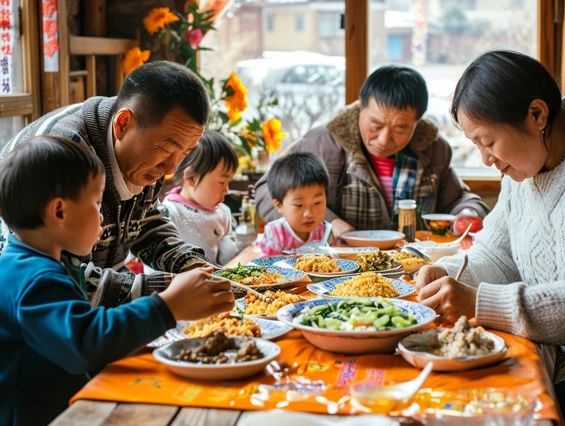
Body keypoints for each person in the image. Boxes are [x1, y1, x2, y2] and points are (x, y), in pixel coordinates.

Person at [414, 50, 565, 425]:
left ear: (536, 115)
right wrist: (448, 274)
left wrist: (482, 302)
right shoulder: (524, 166)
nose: (486, 159)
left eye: (488, 142)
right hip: (552, 361)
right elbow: (496, 255)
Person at [0, 136, 234, 426]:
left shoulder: (37, 263)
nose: (102, 216)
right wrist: (167, 307)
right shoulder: (34, 280)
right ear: (59, 211)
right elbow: (84, 343)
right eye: (97, 204)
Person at [0, 61, 214, 308]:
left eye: (185, 153)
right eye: (166, 150)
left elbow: (145, 220)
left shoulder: (144, 152)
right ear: (123, 123)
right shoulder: (66, 153)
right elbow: (70, 281)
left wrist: (190, 264)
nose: (170, 169)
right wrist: (171, 291)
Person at [254, 65, 489, 239]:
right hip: (338, 267)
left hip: (410, 266)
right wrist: (329, 223)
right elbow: (266, 190)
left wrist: (467, 213)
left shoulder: (433, 150)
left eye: (400, 128)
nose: (384, 140)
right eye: (376, 125)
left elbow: (460, 199)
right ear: (359, 107)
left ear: (417, 122)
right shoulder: (324, 144)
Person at [161, 130, 243, 265]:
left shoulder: (223, 212)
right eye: (222, 182)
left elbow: (227, 263)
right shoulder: (169, 213)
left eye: (229, 182)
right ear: (192, 178)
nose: (226, 190)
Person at [256, 152, 331, 255]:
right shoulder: (275, 233)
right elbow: (266, 266)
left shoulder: (325, 232)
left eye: (317, 203)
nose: (309, 213)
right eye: (299, 205)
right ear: (279, 205)